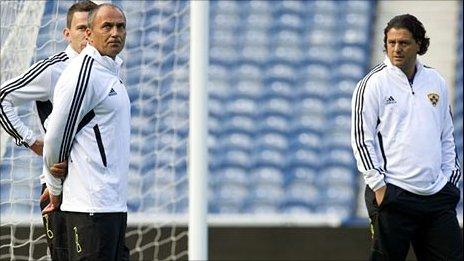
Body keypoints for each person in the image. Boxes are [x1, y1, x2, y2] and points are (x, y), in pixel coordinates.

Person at [351, 14, 462, 260]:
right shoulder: (373, 83)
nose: (397, 49)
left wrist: (449, 180)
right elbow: (362, 139)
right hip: (394, 195)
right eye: (391, 43)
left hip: (436, 196)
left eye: (404, 43)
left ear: (419, 44)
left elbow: (447, 135)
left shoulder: (436, 81)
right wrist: (379, 187)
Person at [0, 1, 97, 260]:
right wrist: (31, 141)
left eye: (92, 28)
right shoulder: (53, 69)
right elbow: (2, 97)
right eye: (81, 28)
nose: (87, 34)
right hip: (61, 189)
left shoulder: (108, 68)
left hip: (98, 189)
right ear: (67, 33)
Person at [42, 3, 130, 260]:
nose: (115, 32)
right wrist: (55, 188)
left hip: (113, 205)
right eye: (107, 26)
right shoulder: (84, 73)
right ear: (89, 34)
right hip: (88, 208)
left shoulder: (111, 72)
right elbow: (55, 136)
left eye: (120, 26)